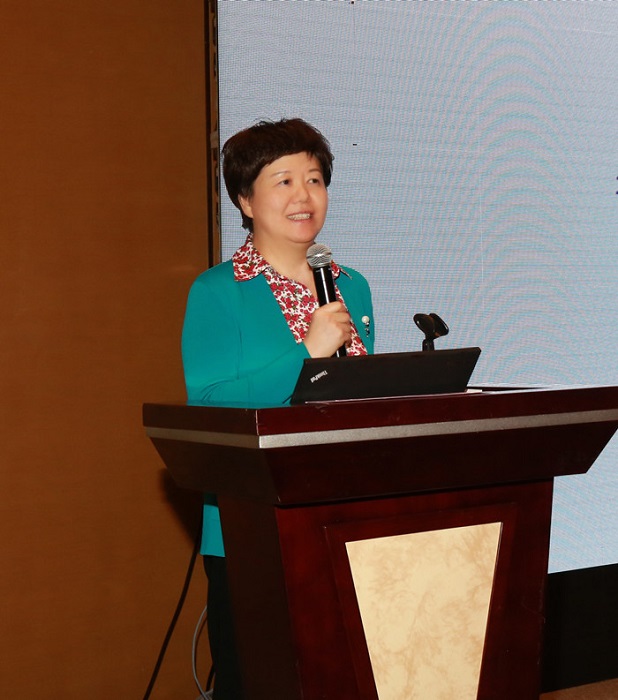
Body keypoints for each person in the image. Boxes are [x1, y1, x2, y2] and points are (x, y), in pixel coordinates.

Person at [181, 117, 375, 699]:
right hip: (252, 522)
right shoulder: (218, 291)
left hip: (345, 511)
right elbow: (209, 402)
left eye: (314, 179)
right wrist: (307, 353)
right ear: (245, 201)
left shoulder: (351, 285)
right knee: (260, 680)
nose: (304, 195)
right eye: (283, 181)